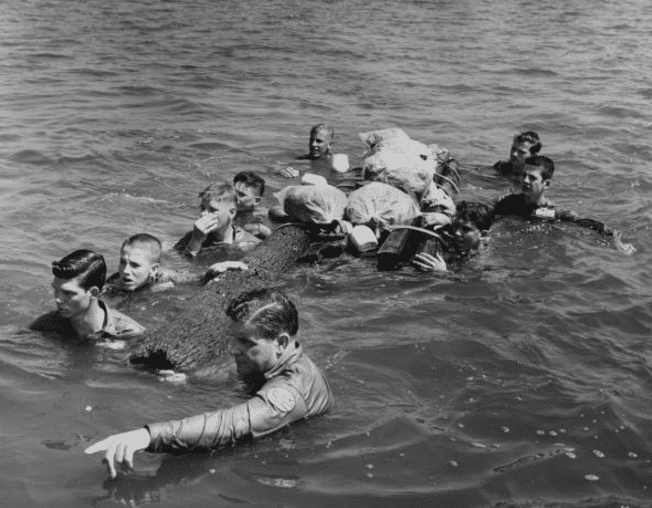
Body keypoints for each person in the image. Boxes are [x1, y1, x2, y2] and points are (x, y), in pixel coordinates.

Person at [84, 288, 333, 479]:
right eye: (233, 339)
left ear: (280, 343)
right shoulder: (266, 360)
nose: (233, 349)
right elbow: (232, 376)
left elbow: (232, 424)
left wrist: (148, 435)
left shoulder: (290, 390)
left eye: (246, 342)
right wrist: (192, 379)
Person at [492, 155, 635, 254]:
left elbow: (589, 224)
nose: (525, 181)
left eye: (532, 178)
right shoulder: (507, 203)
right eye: (524, 175)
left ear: (546, 184)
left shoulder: (550, 212)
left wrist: (616, 241)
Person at [30, 249, 145, 340]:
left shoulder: (131, 334)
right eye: (56, 290)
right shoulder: (45, 325)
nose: (58, 299)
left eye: (68, 293)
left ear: (93, 293)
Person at [173, 181, 261, 258]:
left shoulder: (248, 244)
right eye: (203, 208)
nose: (203, 214)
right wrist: (196, 242)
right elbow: (182, 263)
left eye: (212, 210)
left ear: (232, 213)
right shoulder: (194, 236)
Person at [412, 201, 493, 272]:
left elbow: (467, 283)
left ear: (483, 235)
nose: (457, 233)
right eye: (456, 226)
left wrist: (443, 272)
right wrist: (447, 220)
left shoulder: (480, 261)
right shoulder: (466, 241)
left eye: (465, 229)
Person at [104, 233, 195, 293]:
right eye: (122, 262)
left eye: (135, 265)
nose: (125, 270)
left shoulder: (165, 276)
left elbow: (197, 279)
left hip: (173, 261)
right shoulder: (114, 282)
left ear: (153, 269)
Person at [232, 171, 273, 240]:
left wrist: (261, 230)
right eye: (233, 191)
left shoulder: (261, 217)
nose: (234, 197)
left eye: (241, 194)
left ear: (256, 201)